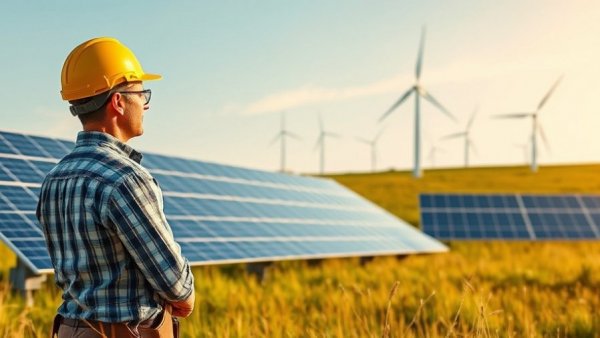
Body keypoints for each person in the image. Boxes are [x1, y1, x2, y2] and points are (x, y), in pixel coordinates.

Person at [36, 37, 195, 338]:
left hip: (69, 331)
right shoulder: (126, 179)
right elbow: (177, 285)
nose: (145, 105)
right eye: (141, 94)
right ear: (118, 102)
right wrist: (184, 297)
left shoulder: (52, 180)